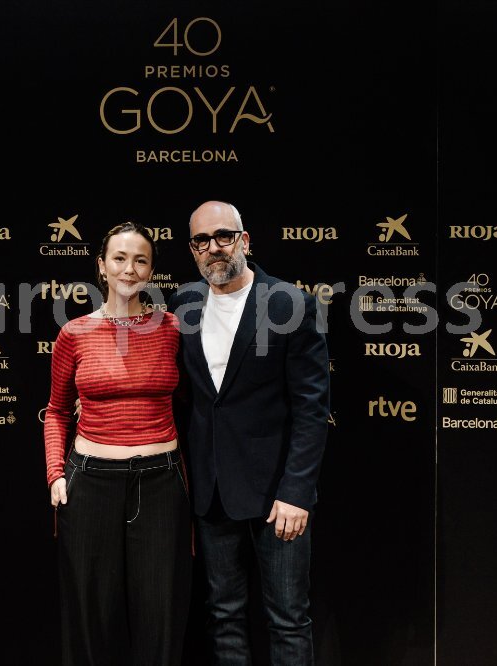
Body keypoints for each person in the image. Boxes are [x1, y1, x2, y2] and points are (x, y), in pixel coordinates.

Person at [169, 201, 330, 665]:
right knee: (224, 616)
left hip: (277, 497)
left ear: (245, 240)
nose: (213, 248)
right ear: (192, 249)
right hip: (212, 492)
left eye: (223, 236)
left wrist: (297, 491)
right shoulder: (183, 303)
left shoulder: (289, 303)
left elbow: (312, 409)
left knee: (287, 620)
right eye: (202, 240)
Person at [44, 221, 191, 666]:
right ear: (102, 267)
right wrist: (55, 474)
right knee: (91, 622)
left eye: (141, 260)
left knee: (160, 620)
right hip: (90, 484)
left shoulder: (173, 328)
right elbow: (55, 411)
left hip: (162, 483)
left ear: (151, 271)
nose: (130, 269)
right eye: (120, 259)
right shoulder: (73, 334)